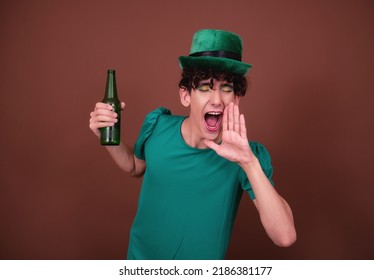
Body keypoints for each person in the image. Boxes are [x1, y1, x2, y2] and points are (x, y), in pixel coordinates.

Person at [89, 29, 296, 260]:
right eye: (205, 87)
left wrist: (249, 163)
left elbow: (285, 236)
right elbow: (134, 167)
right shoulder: (157, 126)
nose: (217, 99)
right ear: (186, 95)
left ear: (236, 99)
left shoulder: (246, 157)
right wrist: (107, 138)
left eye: (226, 88)